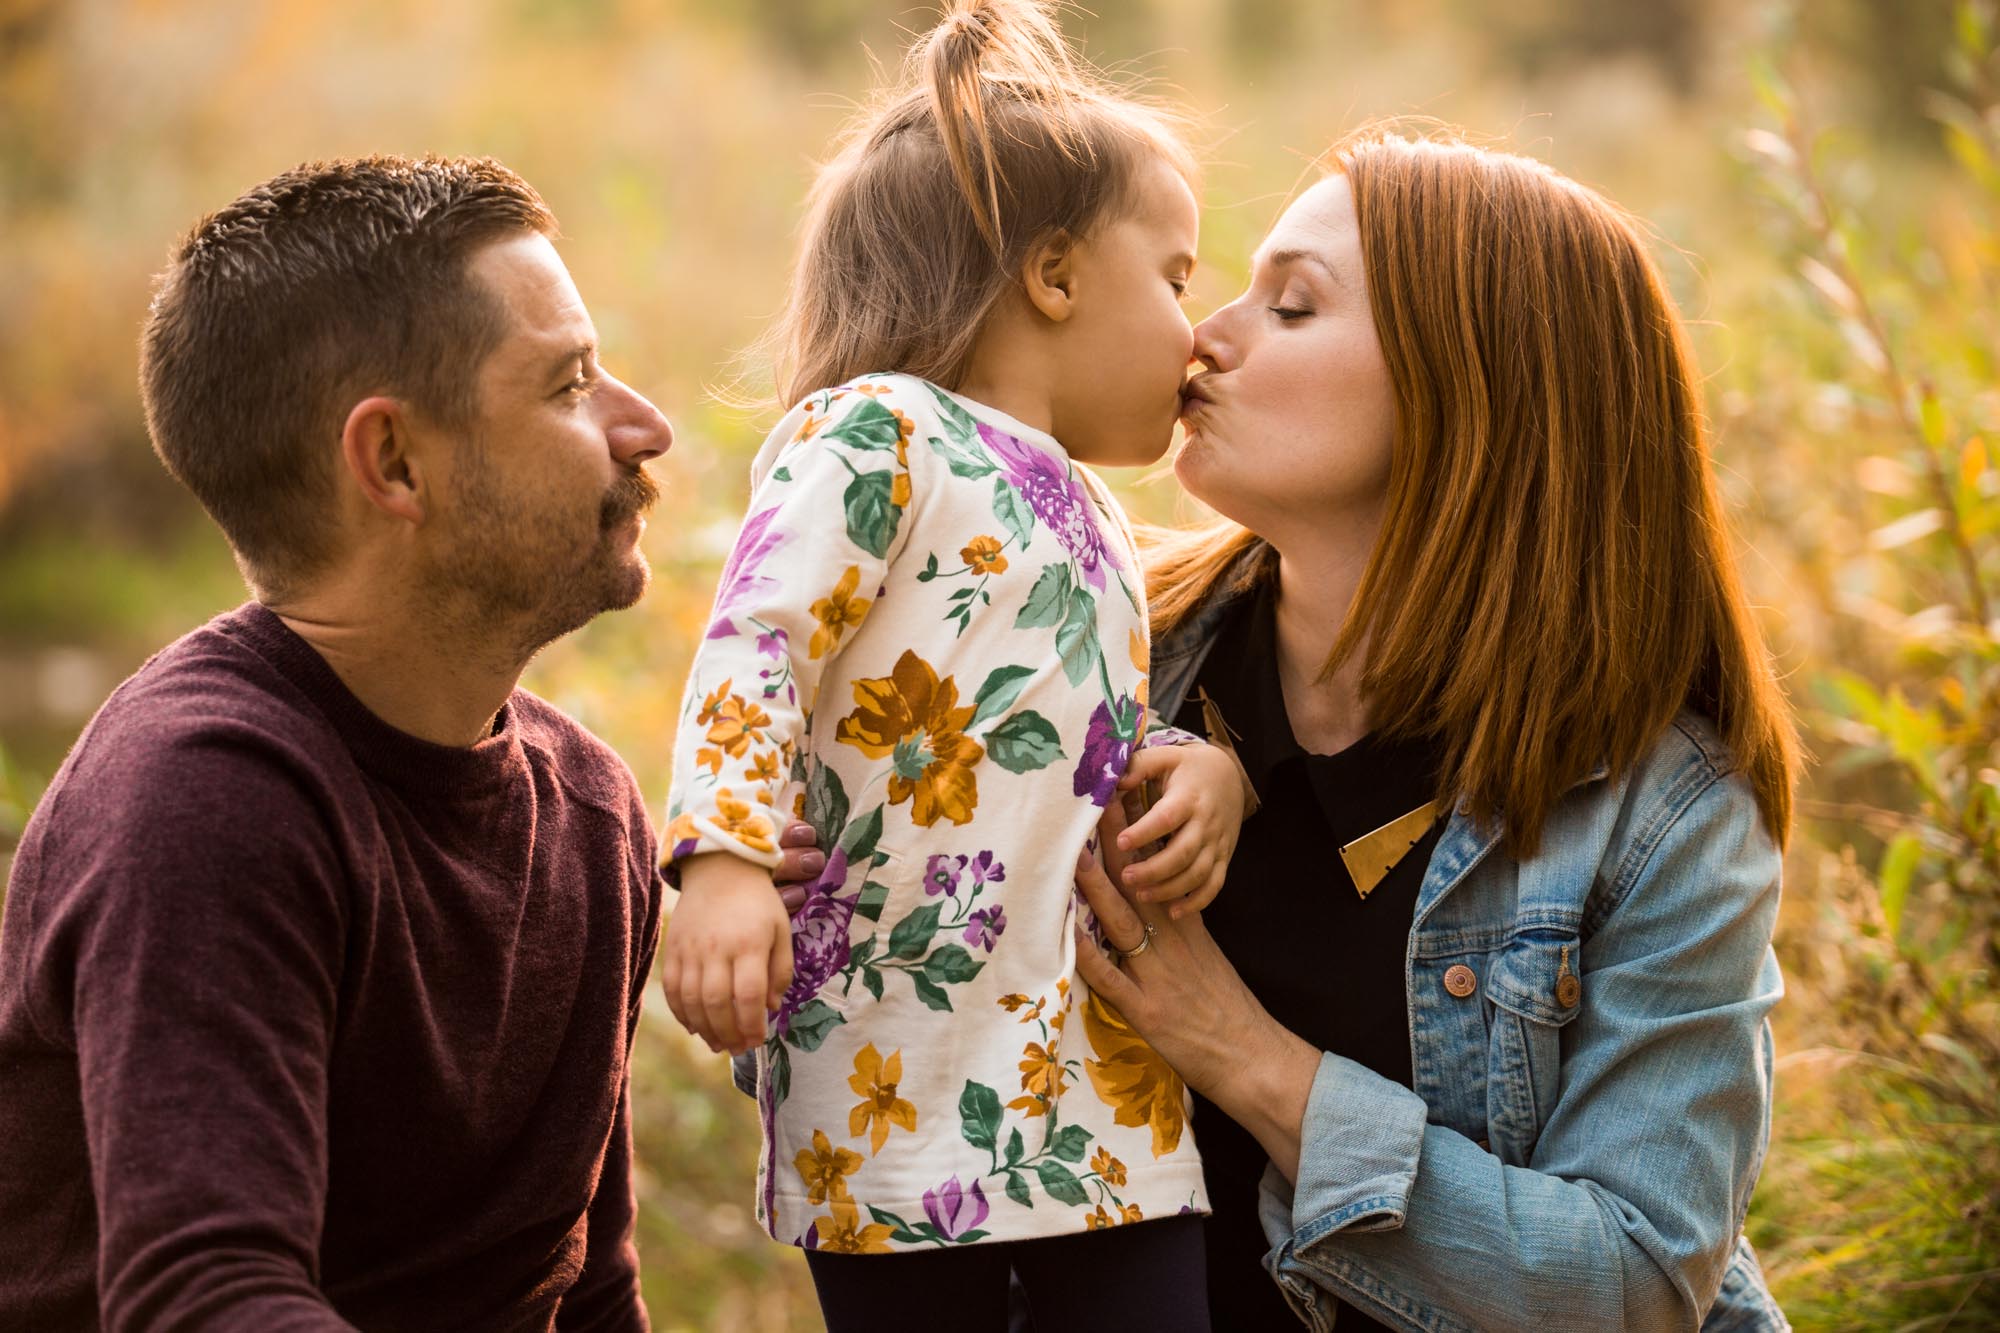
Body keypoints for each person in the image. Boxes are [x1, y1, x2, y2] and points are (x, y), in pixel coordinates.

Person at [0, 154, 818, 1330]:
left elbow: (586, 1294)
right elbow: (206, 1297)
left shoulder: (591, 813)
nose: (644, 425)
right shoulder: (206, 802)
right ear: (392, 462)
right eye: (569, 383)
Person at [1070, 126, 1798, 1331]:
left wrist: (1243, 1056)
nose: (1205, 337)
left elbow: (1631, 1280)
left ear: (1472, 391)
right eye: (1229, 289)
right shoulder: (1089, 638)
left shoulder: (1664, 809)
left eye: (1292, 307)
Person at [656, 3, 1246, 1329]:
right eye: (1177, 277)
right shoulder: (882, 435)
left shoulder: (1093, 512)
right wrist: (726, 860)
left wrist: (1194, 770)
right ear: (1054, 276)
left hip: (1096, 1091)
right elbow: (756, 641)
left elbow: (1073, 729)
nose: (1197, 332)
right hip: (897, 1083)